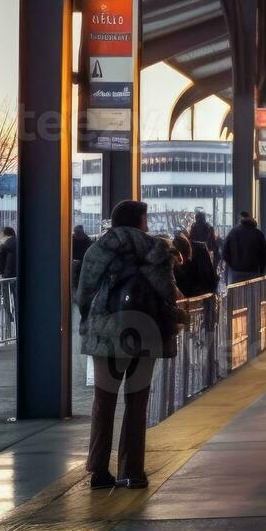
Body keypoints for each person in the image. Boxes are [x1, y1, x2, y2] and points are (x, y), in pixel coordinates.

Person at [75, 199, 186, 489]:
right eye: (145, 217)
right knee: (136, 403)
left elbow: (85, 291)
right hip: (144, 332)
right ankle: (132, 472)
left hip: (105, 333)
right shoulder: (157, 249)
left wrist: (92, 318)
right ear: (138, 220)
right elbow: (166, 293)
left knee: (103, 401)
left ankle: (99, 471)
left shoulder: (98, 249)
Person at [223, 211, 266, 284]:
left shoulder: (233, 232)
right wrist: (261, 271)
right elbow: (264, 255)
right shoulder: (258, 234)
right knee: (252, 294)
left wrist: (233, 265)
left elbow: (225, 252)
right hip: (253, 271)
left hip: (236, 272)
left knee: (237, 293)